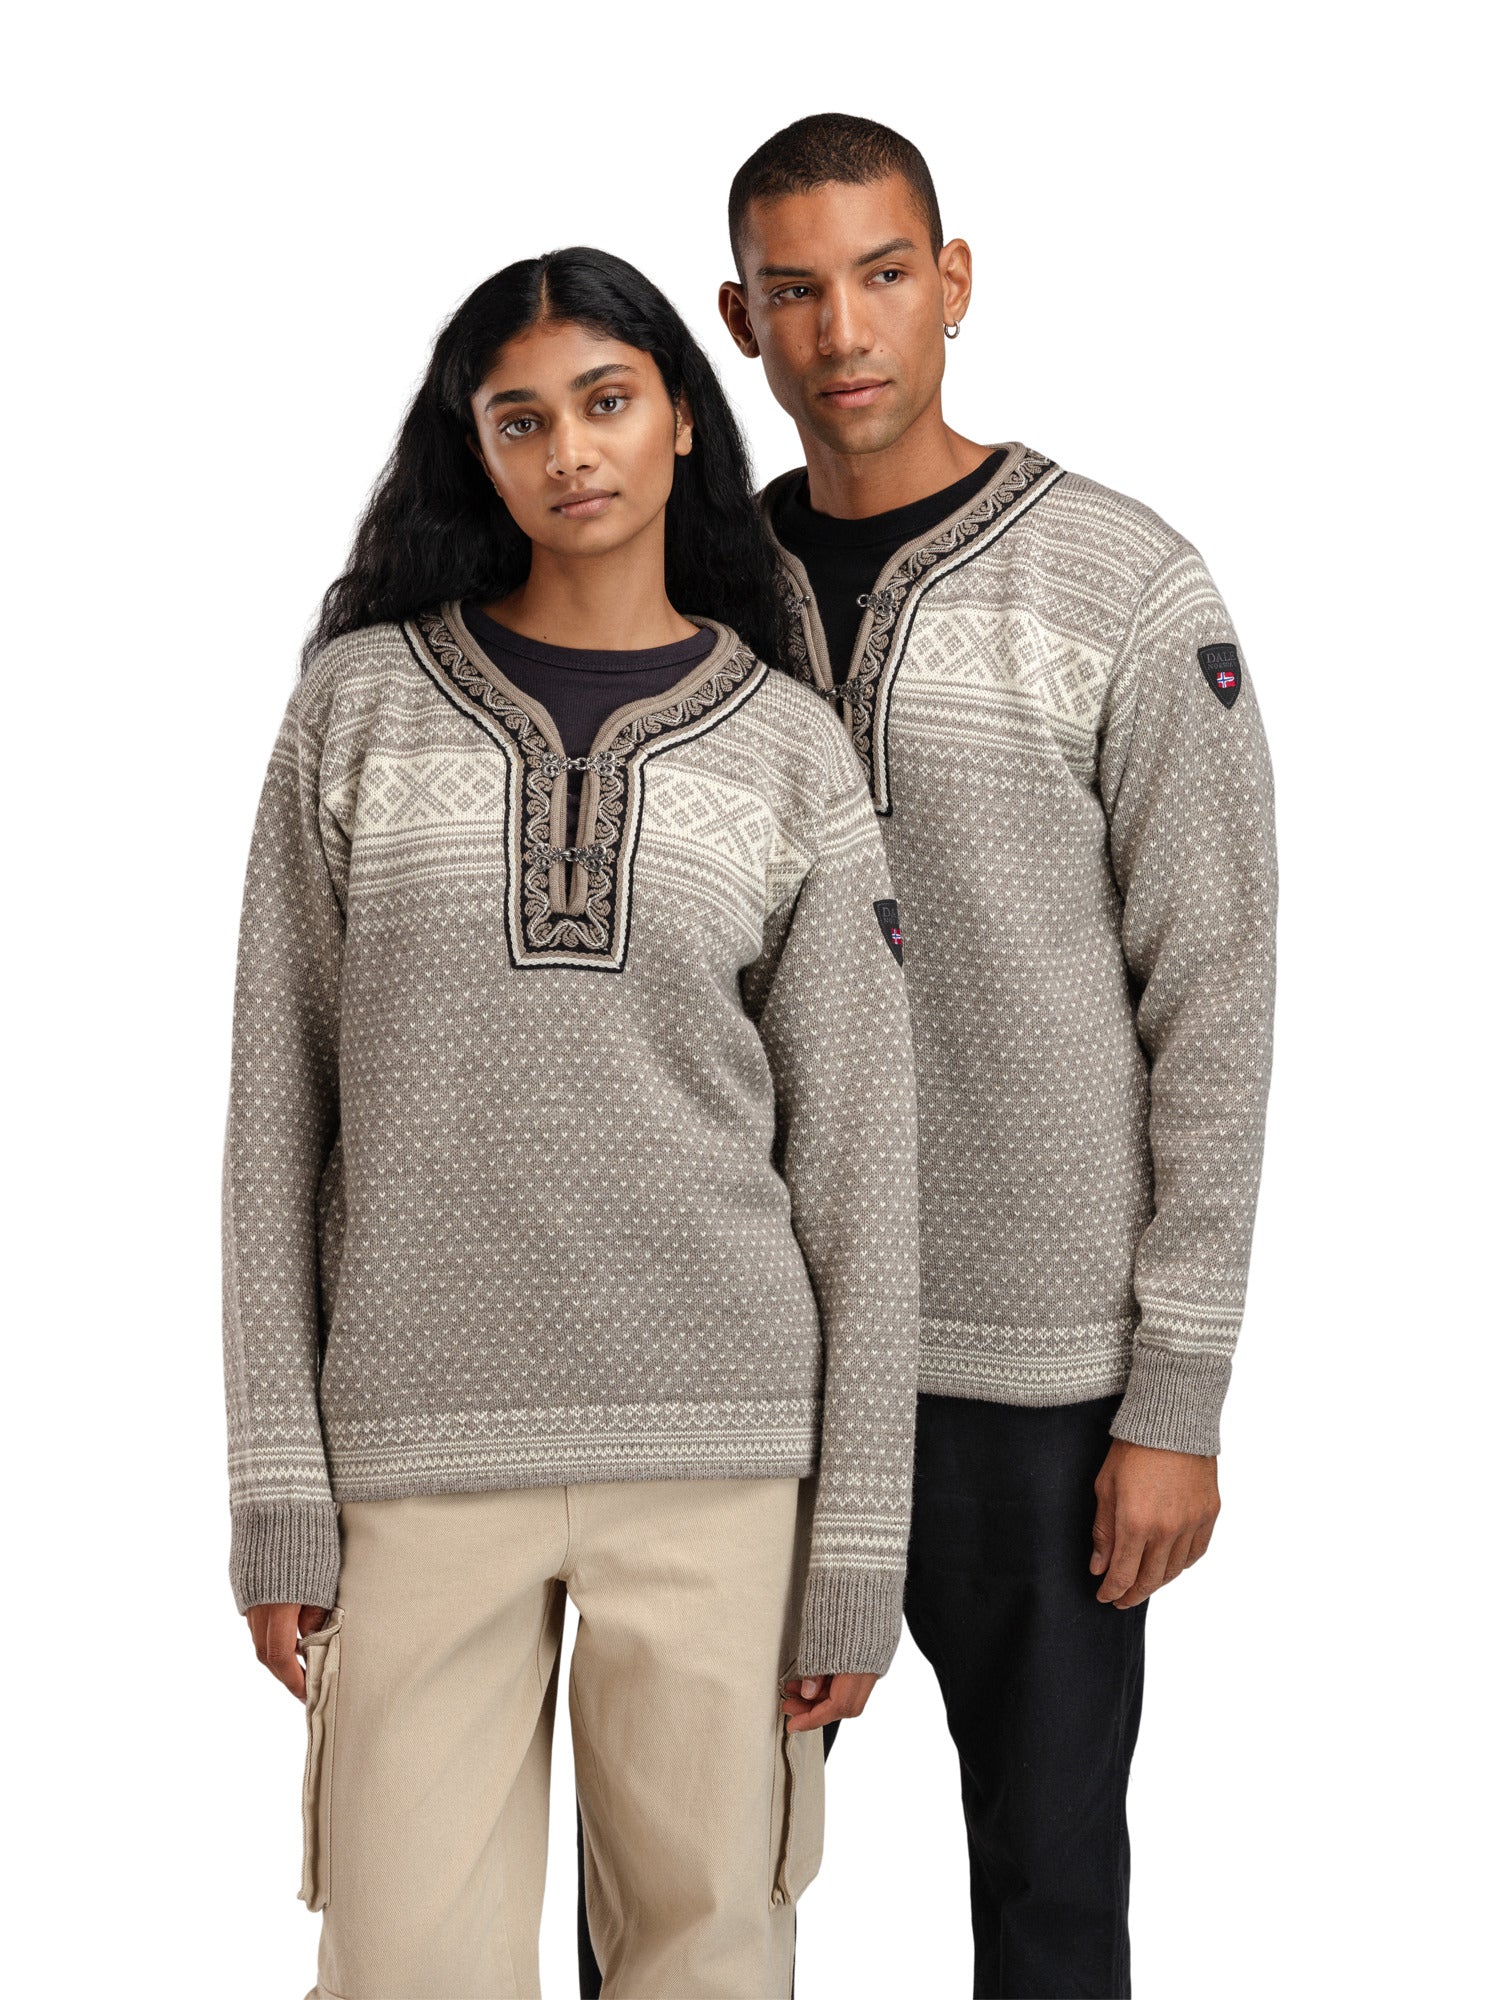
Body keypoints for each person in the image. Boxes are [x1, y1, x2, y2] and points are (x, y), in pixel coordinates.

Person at [222, 245, 921, 2000]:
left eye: (605, 402)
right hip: (414, 1452)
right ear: (475, 449)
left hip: (724, 1452)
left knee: (712, 1958)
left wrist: (857, 1548)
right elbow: (274, 1121)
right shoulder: (359, 710)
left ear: (681, 416)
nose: (570, 451)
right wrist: (278, 1491)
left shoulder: (790, 750)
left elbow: (860, 1171)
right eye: (520, 419)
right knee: (402, 1966)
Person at [718, 114, 1278, 2000]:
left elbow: (1217, 998)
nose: (842, 329)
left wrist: (1177, 1395)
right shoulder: (694, 588)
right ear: (741, 319)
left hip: (1034, 1376)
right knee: (682, 1880)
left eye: (883, 274)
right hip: (750, 1352)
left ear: (953, 282)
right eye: (796, 289)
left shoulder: (1124, 584)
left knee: (1049, 1898)